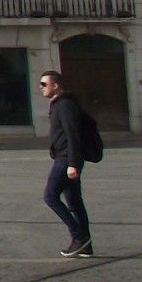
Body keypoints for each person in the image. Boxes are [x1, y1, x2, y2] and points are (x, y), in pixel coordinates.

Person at [39, 70, 96, 257]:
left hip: (66, 159)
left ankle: (78, 236)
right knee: (74, 201)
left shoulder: (64, 105)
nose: (40, 88)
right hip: (65, 157)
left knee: (50, 196)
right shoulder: (59, 104)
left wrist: (73, 163)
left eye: (43, 84)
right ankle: (85, 245)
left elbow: (73, 135)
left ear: (55, 85)